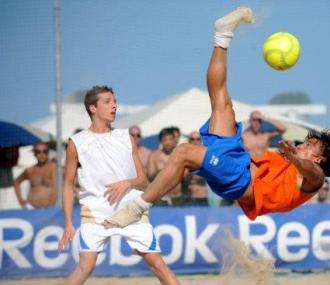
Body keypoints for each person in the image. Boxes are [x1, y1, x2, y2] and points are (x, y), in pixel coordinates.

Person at [103, 7, 329, 229]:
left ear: (319, 159)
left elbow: (312, 172)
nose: (303, 145)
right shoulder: (292, 163)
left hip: (239, 182)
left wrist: (297, 158)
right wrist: (293, 157)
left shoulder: (314, 179)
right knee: (222, 103)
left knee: (183, 152)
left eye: (310, 146)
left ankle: (136, 209)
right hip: (238, 161)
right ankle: (222, 35)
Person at [51, 86, 194, 285]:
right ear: (93, 108)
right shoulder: (77, 142)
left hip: (130, 210)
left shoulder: (124, 136)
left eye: (115, 101)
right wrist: (67, 222)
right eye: (108, 101)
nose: (114, 105)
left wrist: (126, 183)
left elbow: (142, 180)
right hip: (95, 213)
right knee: (85, 266)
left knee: (157, 264)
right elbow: (67, 185)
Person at [147, 127, 184, 205]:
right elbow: (150, 177)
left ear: (174, 141)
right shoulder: (154, 156)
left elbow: (186, 176)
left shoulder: (180, 155)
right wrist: (159, 171)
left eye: (170, 139)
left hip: (177, 198)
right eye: (165, 140)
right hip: (160, 198)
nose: (167, 143)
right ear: (161, 142)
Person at [14, 142, 56, 208]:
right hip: (31, 207)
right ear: (34, 153)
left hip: (49, 208)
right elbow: (16, 182)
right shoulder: (30, 170)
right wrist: (20, 200)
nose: (42, 154)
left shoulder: (54, 168)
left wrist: (52, 205)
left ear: (48, 153)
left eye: (44, 151)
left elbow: (57, 188)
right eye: (38, 152)